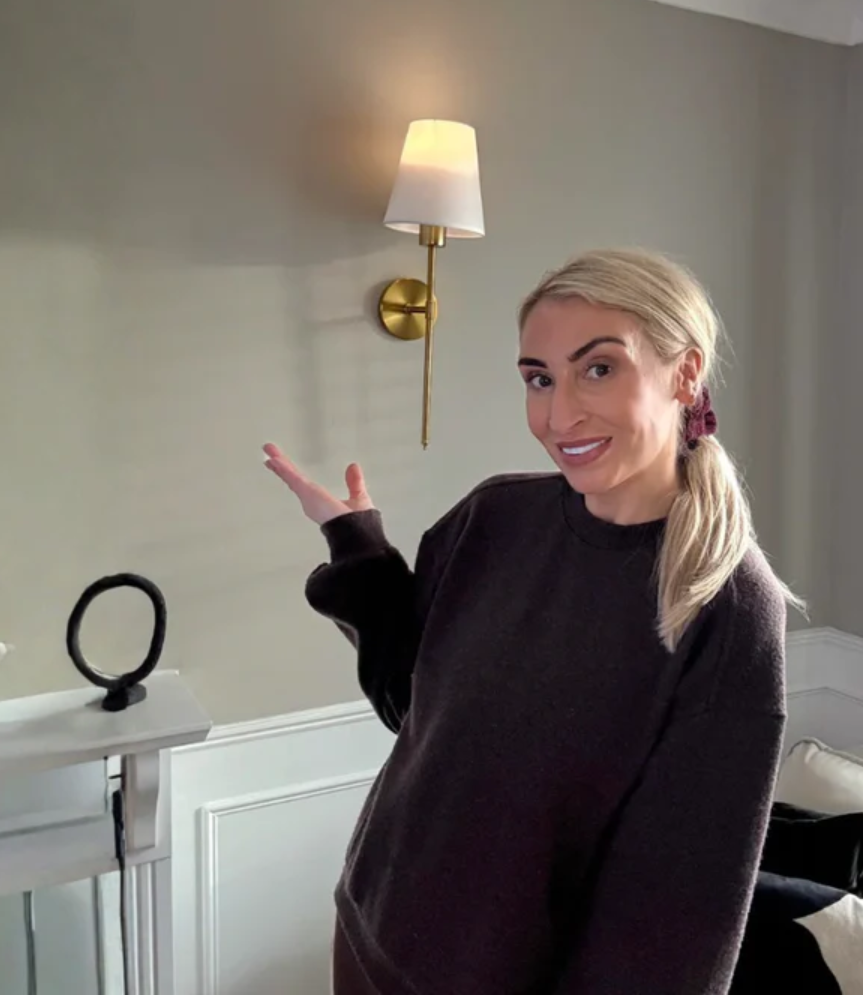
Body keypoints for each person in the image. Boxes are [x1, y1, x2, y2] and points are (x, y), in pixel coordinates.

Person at [263, 247, 796, 995]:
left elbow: (676, 923)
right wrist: (359, 552)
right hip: (368, 933)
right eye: (539, 378)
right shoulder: (493, 519)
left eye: (599, 368)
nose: (559, 414)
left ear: (685, 374)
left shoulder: (726, 606)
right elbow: (416, 711)